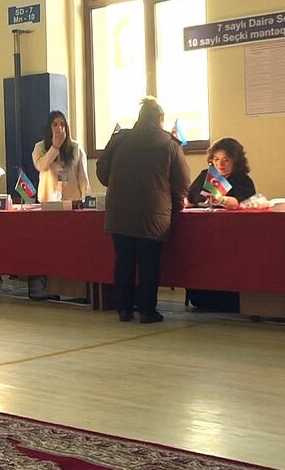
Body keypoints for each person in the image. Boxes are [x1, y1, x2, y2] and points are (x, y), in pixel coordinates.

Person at [96, 97, 190, 324]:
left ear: (139, 118)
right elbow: (182, 183)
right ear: (160, 119)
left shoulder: (119, 140)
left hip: (119, 213)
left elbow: (102, 172)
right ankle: (147, 311)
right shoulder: (171, 145)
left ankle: (124, 309)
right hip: (153, 214)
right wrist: (176, 203)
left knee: (124, 261)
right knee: (149, 264)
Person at [183, 137, 257, 312]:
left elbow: (238, 202)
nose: (220, 164)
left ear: (236, 161)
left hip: (232, 237)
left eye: (225, 160)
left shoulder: (242, 180)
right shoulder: (205, 176)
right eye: (216, 159)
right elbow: (190, 198)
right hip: (202, 234)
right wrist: (187, 201)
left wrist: (221, 199)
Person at [27, 111, 89, 298]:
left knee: (72, 248)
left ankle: (76, 290)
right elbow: (41, 166)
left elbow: (83, 177)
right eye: (55, 124)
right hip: (48, 206)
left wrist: (86, 200)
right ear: (49, 127)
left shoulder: (76, 147)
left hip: (72, 206)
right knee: (48, 248)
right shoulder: (40, 147)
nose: (59, 128)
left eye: (62, 124)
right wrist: (54, 147)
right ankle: (47, 288)